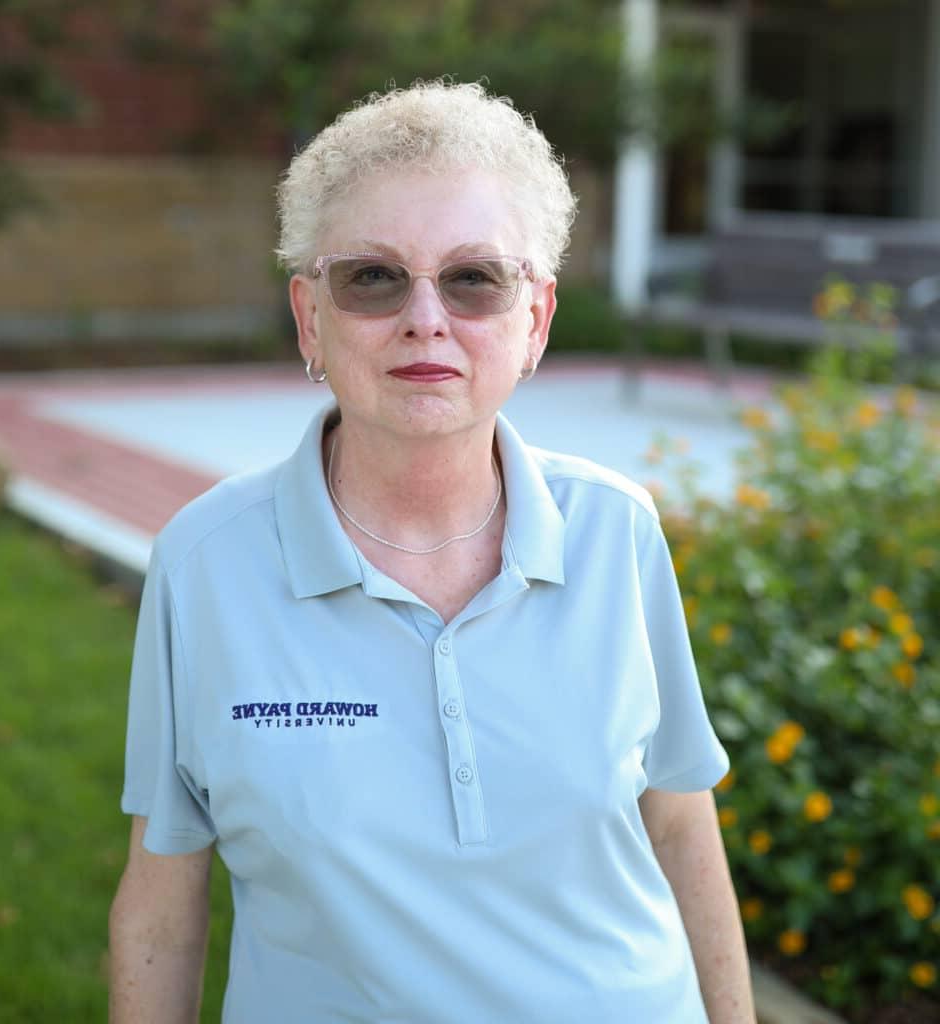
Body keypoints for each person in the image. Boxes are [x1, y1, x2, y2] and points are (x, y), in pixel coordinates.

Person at [108, 80, 756, 1024]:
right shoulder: (204, 563)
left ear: (534, 320)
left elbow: (681, 826)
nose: (425, 319)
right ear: (309, 317)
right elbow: (162, 901)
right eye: (371, 277)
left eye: (474, 279)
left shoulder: (617, 531)